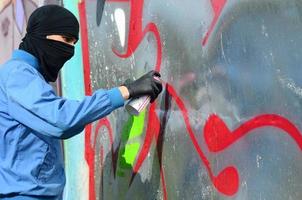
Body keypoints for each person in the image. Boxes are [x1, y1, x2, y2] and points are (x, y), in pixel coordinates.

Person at [0, 5, 162, 200]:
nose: (70, 50)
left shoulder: (28, 77)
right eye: (66, 40)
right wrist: (125, 92)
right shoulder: (18, 75)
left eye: (74, 43)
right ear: (44, 34)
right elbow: (61, 120)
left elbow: (66, 123)